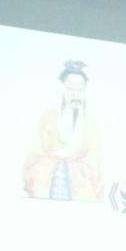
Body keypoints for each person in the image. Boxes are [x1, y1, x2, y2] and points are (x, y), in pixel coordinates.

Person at [22, 60, 103, 201]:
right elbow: (35, 156)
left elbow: (95, 166)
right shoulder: (48, 118)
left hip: (80, 191)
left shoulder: (90, 124)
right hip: (48, 185)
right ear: (62, 89)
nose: (75, 94)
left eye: (80, 89)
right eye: (70, 89)